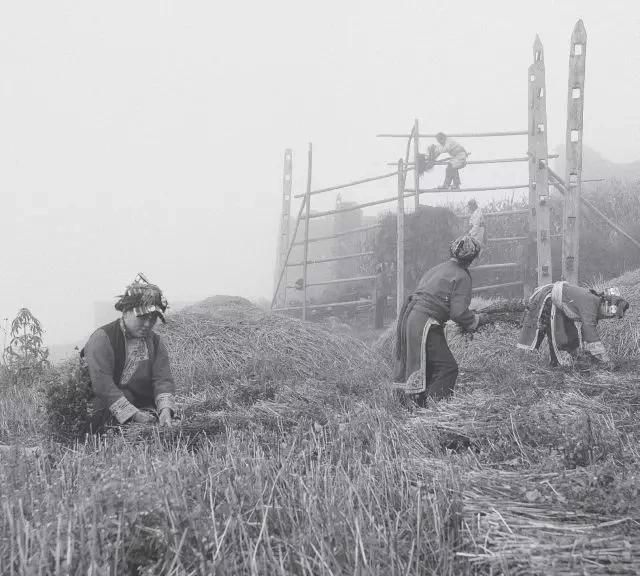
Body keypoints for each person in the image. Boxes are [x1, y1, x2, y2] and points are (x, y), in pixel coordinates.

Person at [392, 236, 489, 404]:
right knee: (448, 368)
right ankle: (435, 411)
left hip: (410, 318)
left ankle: (416, 406)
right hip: (426, 322)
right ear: (472, 259)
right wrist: (477, 319)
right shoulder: (462, 276)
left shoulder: (439, 268)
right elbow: (458, 313)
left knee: (429, 367)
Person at [81, 274, 178, 431]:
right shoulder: (102, 339)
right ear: (126, 312)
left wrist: (165, 411)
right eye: (142, 317)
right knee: (99, 412)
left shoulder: (155, 342)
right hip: (106, 403)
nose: (148, 324)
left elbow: (163, 379)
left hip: (143, 403)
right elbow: (102, 385)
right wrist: (134, 415)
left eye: (153, 318)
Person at [518, 282, 629, 367]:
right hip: (551, 299)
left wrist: (591, 353)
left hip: (561, 305)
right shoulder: (591, 303)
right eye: (609, 312)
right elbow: (590, 331)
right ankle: (554, 364)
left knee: (570, 334)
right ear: (605, 303)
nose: (608, 316)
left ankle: (569, 360)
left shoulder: (595, 304)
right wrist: (604, 358)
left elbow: (587, 332)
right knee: (559, 335)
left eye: (611, 315)